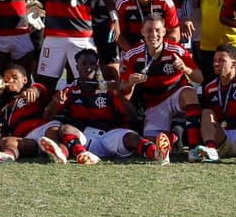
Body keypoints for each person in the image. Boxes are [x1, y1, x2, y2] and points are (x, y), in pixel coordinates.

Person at [37, 49, 169, 165]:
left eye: (92, 64)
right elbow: (46, 117)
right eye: (84, 64)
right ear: (76, 67)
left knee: (132, 137)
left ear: (97, 66)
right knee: (65, 129)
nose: (89, 68)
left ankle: (157, 153)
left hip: (109, 136)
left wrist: (118, 94)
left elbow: (133, 115)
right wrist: (56, 103)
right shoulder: (69, 90)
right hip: (85, 138)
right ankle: (83, 155)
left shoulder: (107, 87)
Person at [120, 14, 204, 160]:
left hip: (176, 93)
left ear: (164, 31)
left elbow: (199, 78)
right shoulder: (132, 55)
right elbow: (124, 92)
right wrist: (130, 83)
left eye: (158, 30)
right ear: (142, 32)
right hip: (154, 103)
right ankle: (174, 137)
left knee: (190, 93)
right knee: (153, 144)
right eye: (149, 30)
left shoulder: (176, 50)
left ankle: (193, 148)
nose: (153, 34)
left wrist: (185, 68)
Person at [0, 64, 59, 164]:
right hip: (26, 140)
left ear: (25, 80)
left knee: (54, 133)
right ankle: (7, 156)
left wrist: (33, 91)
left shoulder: (30, 92)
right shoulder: (4, 108)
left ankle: (62, 154)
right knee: (7, 141)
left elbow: (40, 90)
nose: (10, 81)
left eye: (14, 77)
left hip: (43, 130)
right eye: (7, 79)